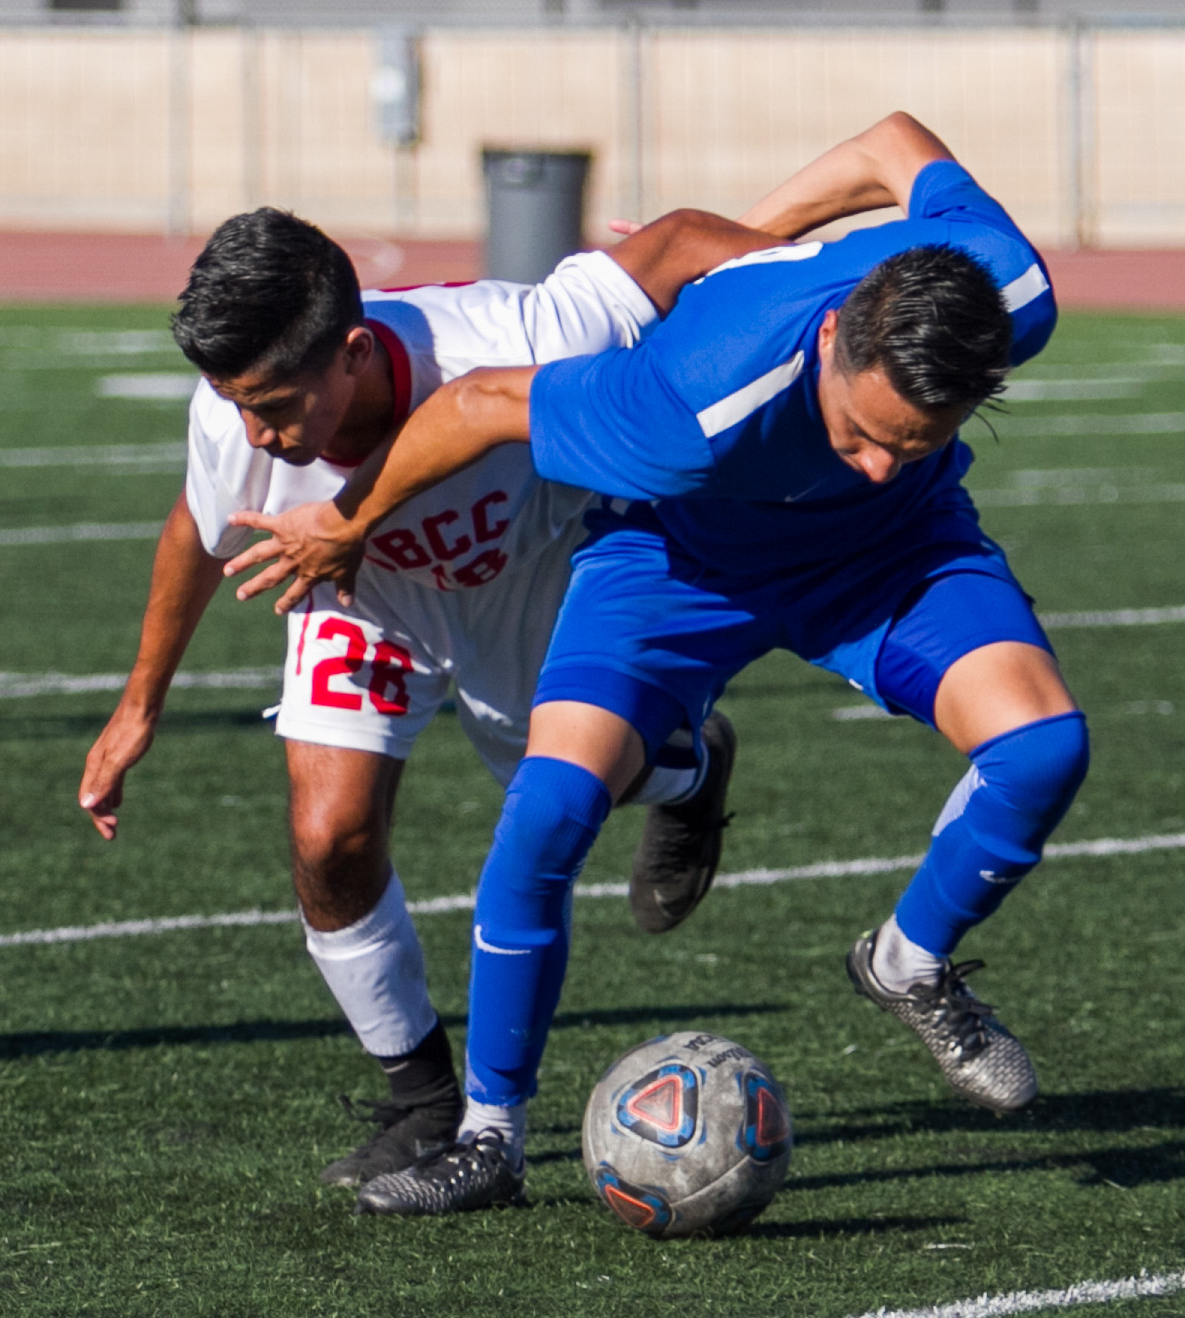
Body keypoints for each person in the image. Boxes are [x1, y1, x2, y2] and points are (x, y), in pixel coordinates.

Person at [223, 112, 1091, 1216]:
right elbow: (481, 401)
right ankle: (490, 1135)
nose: (877, 461)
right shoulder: (684, 405)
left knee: (1046, 746)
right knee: (548, 811)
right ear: (830, 342)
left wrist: (765, 240)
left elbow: (892, 143)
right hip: (682, 556)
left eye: (913, 440)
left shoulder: (1006, 295)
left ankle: (910, 961)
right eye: (862, 433)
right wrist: (348, 520)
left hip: (890, 555)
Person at [77, 204, 780, 1190]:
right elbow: (197, 533)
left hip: (529, 577)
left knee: (583, 788)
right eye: (236, 403)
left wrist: (834, 281)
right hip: (365, 600)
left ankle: (689, 766)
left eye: (276, 404)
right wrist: (138, 705)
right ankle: (422, 1101)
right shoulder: (233, 416)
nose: (256, 431)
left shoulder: (521, 336)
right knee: (329, 837)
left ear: (355, 351)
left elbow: (674, 245)